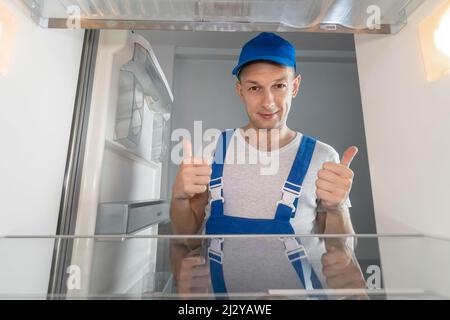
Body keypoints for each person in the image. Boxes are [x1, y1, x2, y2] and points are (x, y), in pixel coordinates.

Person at [170, 32, 365, 297]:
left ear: (294, 86)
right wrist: (179, 197)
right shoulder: (214, 149)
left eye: (279, 86)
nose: (268, 101)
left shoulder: (322, 156)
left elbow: (340, 251)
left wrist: (338, 207)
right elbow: (186, 238)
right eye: (254, 88)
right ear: (240, 91)